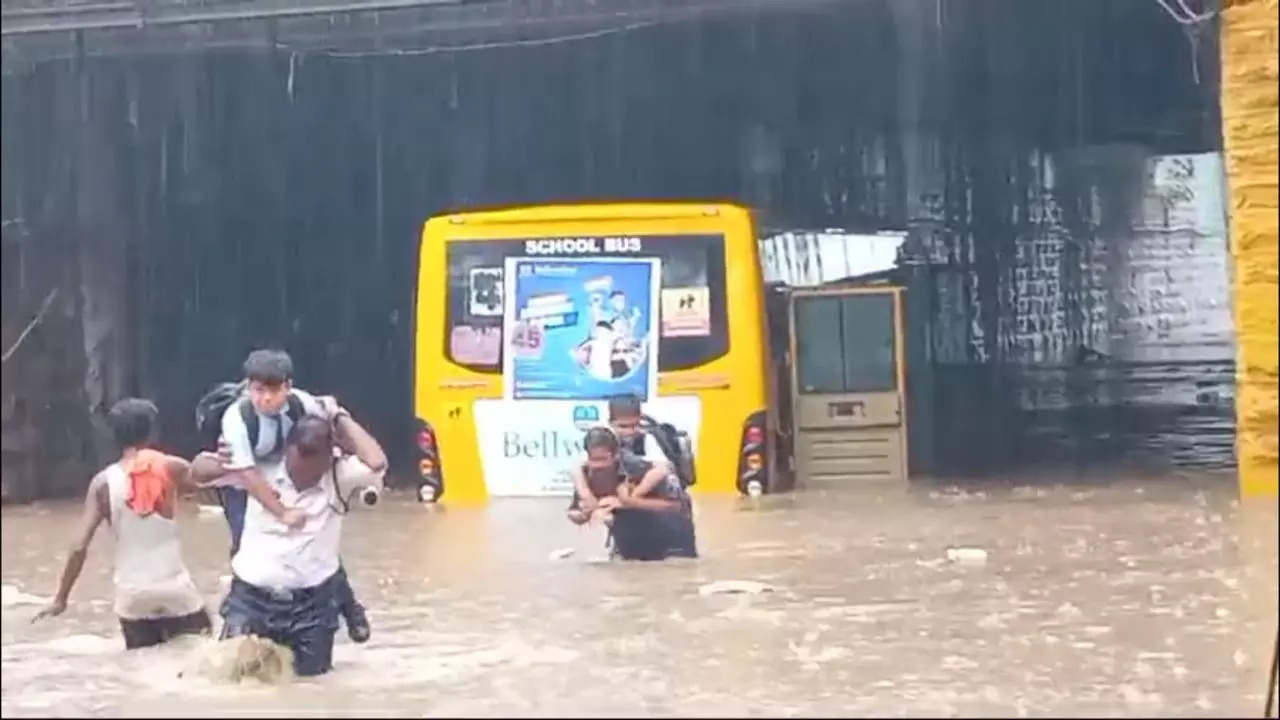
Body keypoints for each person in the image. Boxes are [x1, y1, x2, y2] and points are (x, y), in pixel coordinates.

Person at [196, 411, 386, 678]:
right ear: (287, 450)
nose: (304, 476)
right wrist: (223, 460)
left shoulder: (341, 476)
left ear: (329, 457)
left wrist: (340, 417)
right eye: (298, 465)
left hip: (313, 607)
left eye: (313, 470)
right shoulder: (259, 468)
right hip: (251, 600)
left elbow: (377, 462)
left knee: (312, 685)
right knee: (234, 682)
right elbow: (198, 473)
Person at [215, 348, 373, 644]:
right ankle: (239, 615)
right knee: (245, 547)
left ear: (288, 387)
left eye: (273, 391)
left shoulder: (305, 405)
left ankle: (349, 607)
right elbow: (248, 474)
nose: (265, 399)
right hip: (246, 484)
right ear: (248, 387)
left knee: (316, 546)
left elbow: (331, 434)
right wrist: (281, 512)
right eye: (258, 390)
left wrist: (340, 464)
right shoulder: (237, 419)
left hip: (293, 476)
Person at [34, 398, 213, 650]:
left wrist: (60, 599)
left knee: (142, 669)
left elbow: (78, 546)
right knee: (204, 656)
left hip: (132, 595)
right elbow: (213, 489)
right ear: (153, 431)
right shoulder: (172, 467)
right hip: (174, 587)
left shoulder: (102, 483)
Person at [565, 427, 697, 561]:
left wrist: (629, 502)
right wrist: (583, 514)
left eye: (604, 459)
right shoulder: (586, 476)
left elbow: (677, 506)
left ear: (616, 454)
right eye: (594, 459)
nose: (598, 465)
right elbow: (576, 513)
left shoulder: (637, 468)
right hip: (630, 543)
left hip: (672, 540)